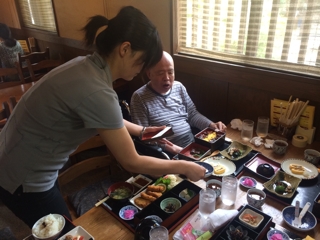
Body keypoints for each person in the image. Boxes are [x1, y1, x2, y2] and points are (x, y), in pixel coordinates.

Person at [0, 6, 206, 228]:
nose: (143, 68)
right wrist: (184, 166)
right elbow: (131, 161)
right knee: (66, 233)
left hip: (20, 160)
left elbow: (108, 118)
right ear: (125, 49)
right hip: (22, 176)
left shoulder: (85, 66)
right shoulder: (97, 89)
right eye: (142, 60)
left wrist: (141, 131)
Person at [130, 51, 227, 156]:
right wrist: (174, 149)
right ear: (149, 74)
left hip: (192, 144)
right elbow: (144, 136)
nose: (166, 78)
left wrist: (211, 125)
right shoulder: (139, 97)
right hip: (167, 152)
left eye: (170, 72)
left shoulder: (179, 87)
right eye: (160, 73)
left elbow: (193, 115)